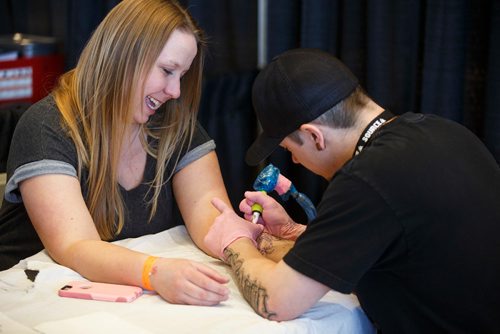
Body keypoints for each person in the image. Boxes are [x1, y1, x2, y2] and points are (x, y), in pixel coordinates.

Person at [204, 48, 500, 332]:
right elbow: (395, 244)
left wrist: (235, 240)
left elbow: (276, 301)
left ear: (314, 136)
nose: (294, 160)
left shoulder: (367, 178)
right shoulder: (443, 131)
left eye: (290, 150)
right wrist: (294, 232)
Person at [0, 0, 231, 306]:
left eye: (182, 76)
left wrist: (252, 247)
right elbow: (76, 246)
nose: (175, 91)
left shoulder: (174, 125)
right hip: (26, 300)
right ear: (124, 56)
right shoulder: (47, 126)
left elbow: (213, 219)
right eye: (167, 71)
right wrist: (155, 272)